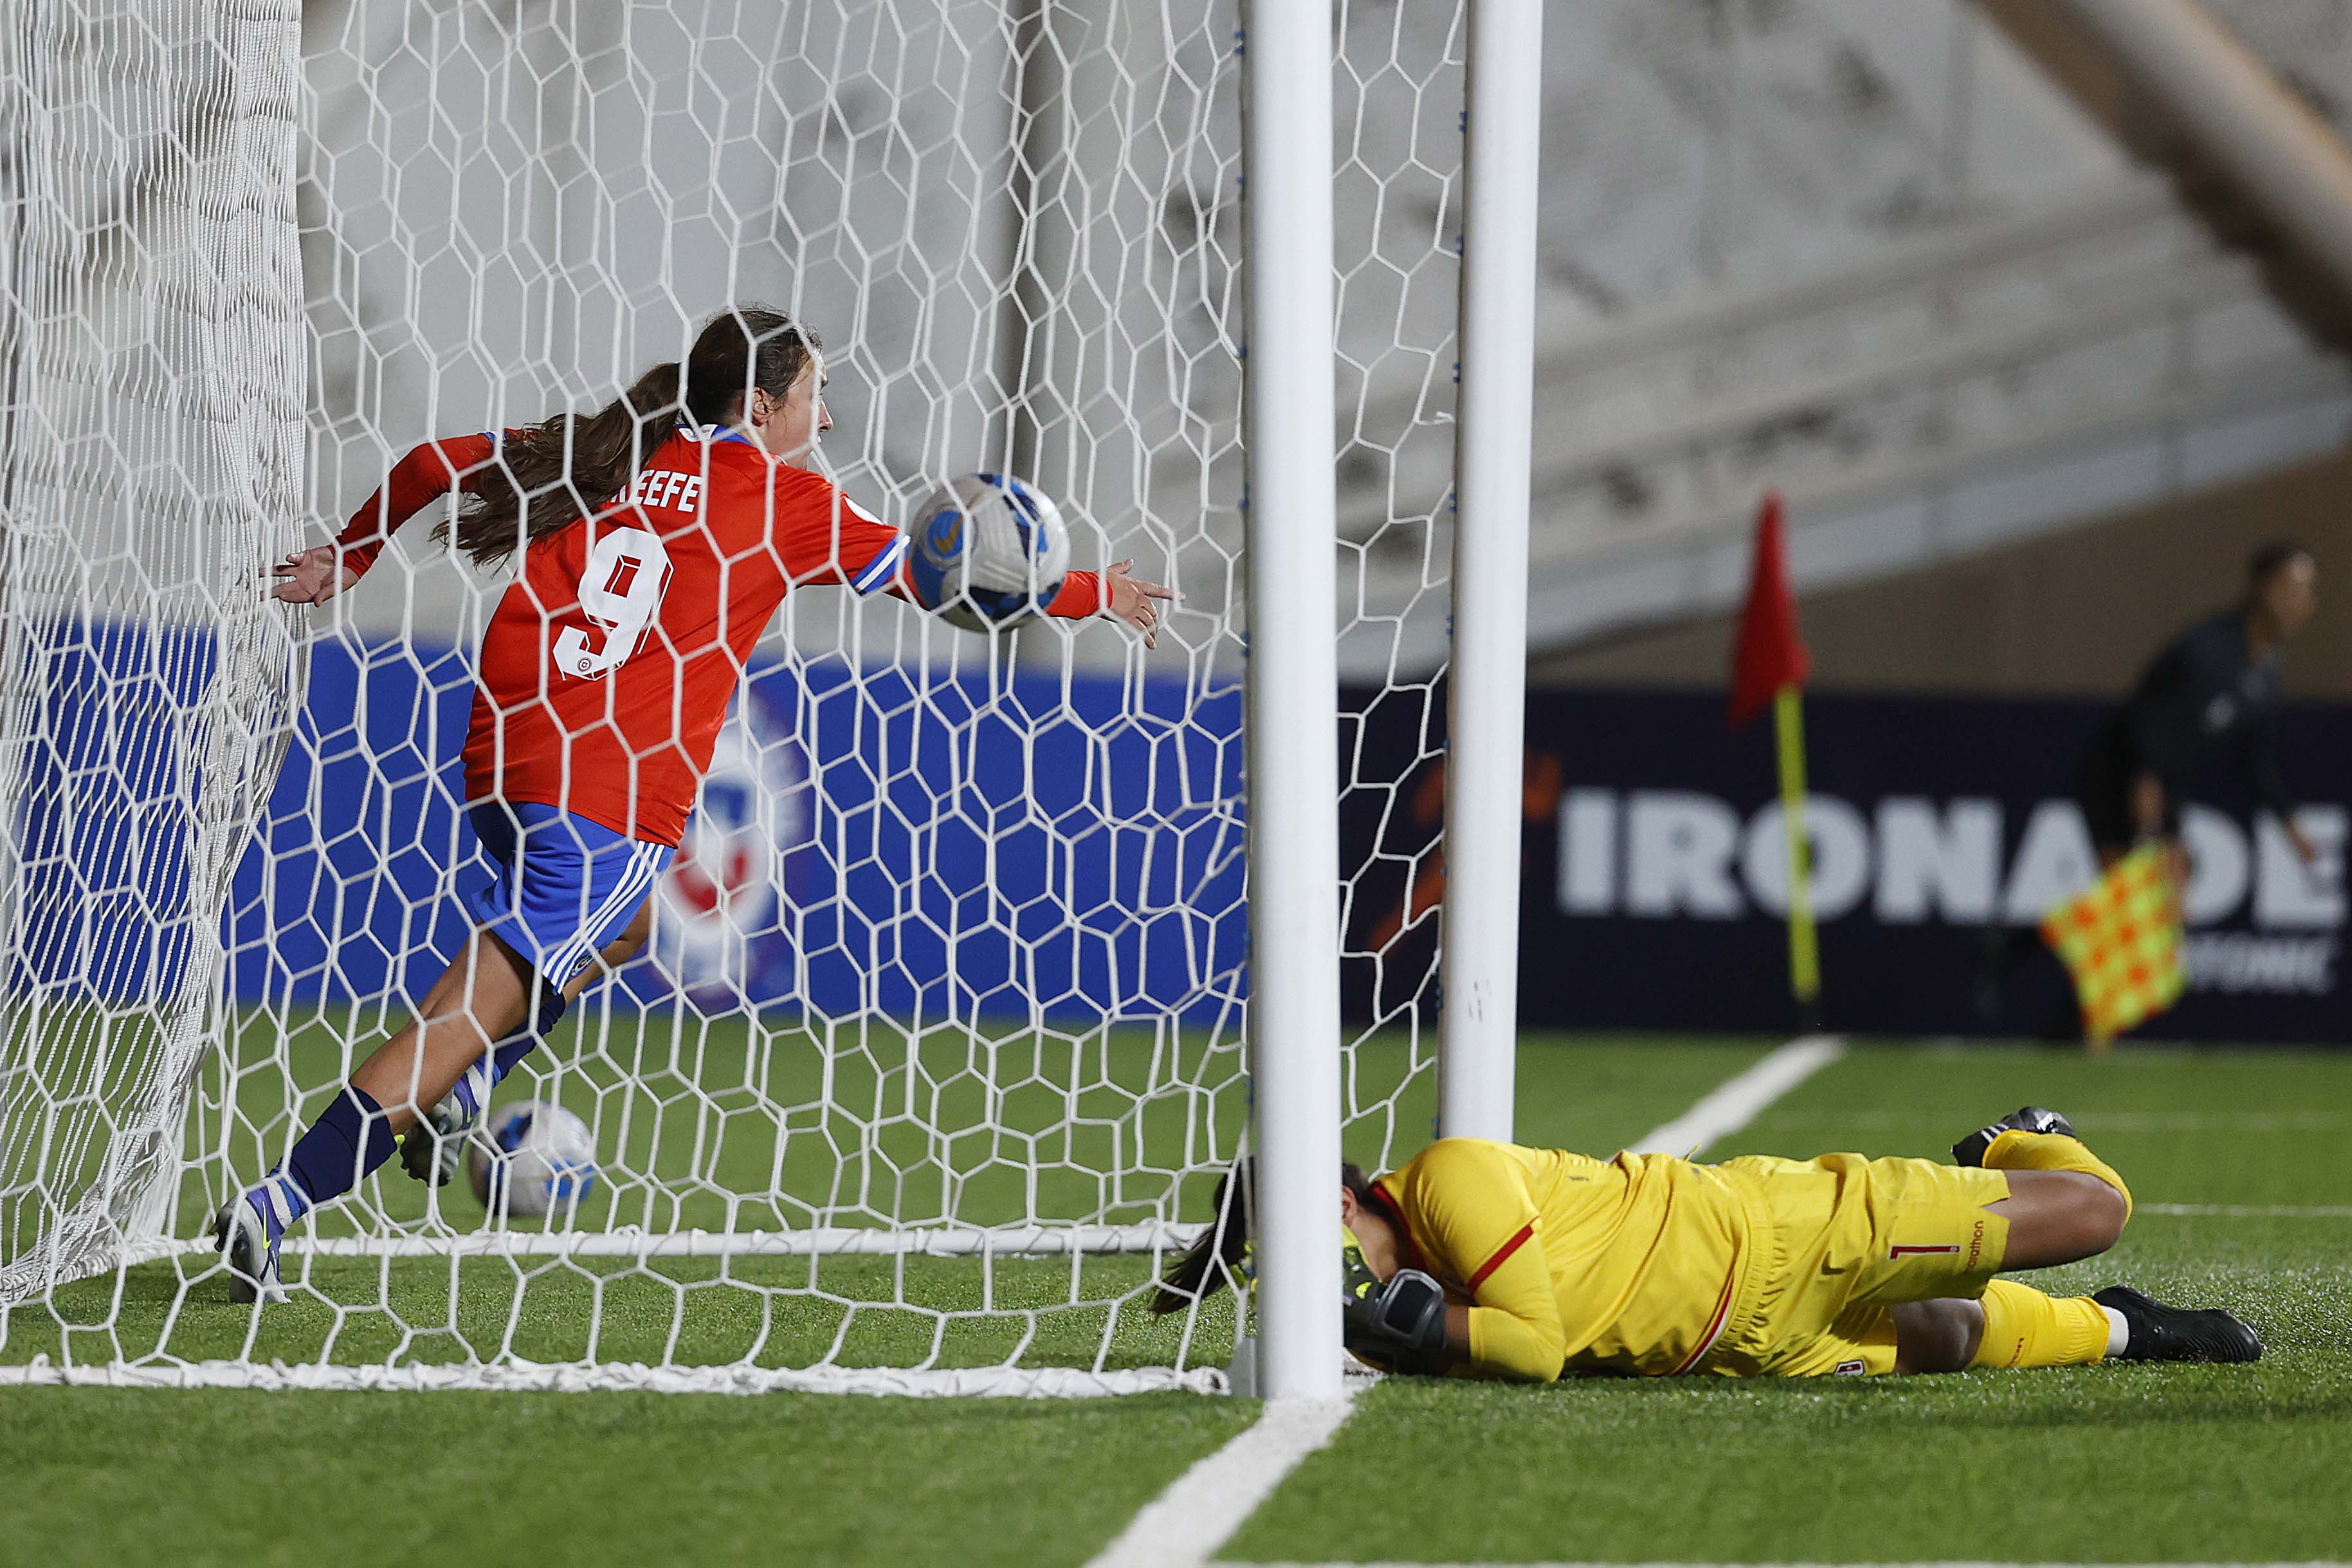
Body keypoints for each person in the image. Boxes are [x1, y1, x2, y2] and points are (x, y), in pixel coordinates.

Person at [217, 305, 1173, 1300]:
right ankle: (281, 1198)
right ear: (762, 405)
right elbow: (941, 578)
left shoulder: (604, 444)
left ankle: (469, 1085)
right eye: (817, 393)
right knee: (474, 1002)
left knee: (623, 930)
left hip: (503, 749)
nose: (829, 419)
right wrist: (1086, 592)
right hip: (610, 784)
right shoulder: (784, 500)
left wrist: (352, 557)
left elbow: (426, 461)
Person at [1156, 1108, 2259, 1380]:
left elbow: (1536, 1345)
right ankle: (2131, 1327)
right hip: (1734, 1344)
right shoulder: (1416, 1286)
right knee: (1955, 1335)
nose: (1339, 1277)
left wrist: (1395, 1329)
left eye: (1326, 1243)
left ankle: (2025, 1138)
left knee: (2091, 1209)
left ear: (1352, 1198)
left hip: (1785, 1227)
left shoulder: (1449, 1176)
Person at [2077, 541, 2321, 873]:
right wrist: (2144, 779)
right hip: (2121, 776)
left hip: (2167, 785)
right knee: (2135, 890)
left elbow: (2255, 759)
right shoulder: (2208, 650)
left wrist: (2288, 823)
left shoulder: (2266, 671)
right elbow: (2149, 717)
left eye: (2308, 592)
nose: (2302, 603)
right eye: (2291, 589)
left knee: (2166, 889)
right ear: (2261, 588)